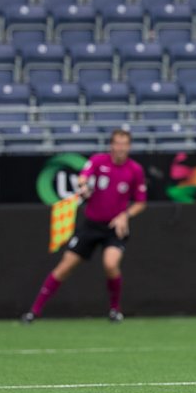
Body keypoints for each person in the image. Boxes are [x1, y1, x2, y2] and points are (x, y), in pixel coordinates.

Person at [23, 130, 147, 324]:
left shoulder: (135, 169)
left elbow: (140, 202)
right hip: (91, 225)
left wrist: (125, 215)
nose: (121, 148)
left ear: (129, 147)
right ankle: (34, 311)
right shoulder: (99, 161)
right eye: (118, 143)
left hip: (114, 228)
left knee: (110, 264)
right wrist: (84, 186)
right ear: (111, 145)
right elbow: (84, 177)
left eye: (125, 144)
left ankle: (115, 310)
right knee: (64, 266)